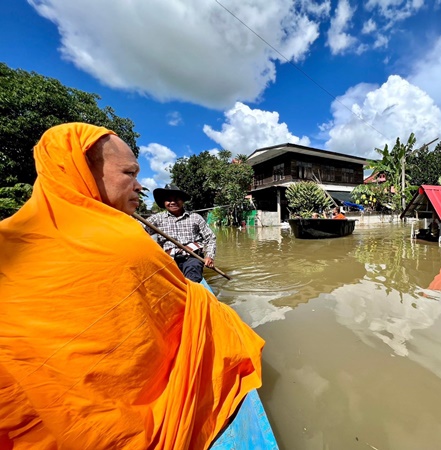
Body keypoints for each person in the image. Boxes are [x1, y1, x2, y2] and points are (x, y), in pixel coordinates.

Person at [0, 123, 263, 449]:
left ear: (181, 202)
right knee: (195, 297)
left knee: (192, 266)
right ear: (84, 173)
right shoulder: (141, 230)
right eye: (128, 173)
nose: (142, 188)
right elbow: (144, 249)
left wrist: (206, 255)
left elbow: (208, 238)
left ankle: (187, 283)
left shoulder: (193, 220)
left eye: (174, 200)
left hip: (189, 259)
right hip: (166, 260)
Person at [146, 184, 216, 282]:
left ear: (182, 200)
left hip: (192, 257)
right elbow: (138, 230)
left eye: (176, 199)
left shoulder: (195, 217)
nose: (173, 202)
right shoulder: (156, 219)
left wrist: (209, 256)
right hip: (168, 259)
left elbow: (210, 238)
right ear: (164, 202)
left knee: (193, 272)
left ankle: (192, 291)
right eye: (169, 200)